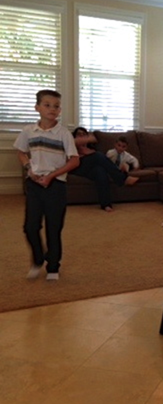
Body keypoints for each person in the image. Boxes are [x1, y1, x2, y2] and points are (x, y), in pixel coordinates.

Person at [13, 89, 80, 281]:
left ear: (60, 110)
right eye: (47, 105)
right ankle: (37, 259)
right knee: (30, 226)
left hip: (56, 186)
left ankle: (53, 266)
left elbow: (74, 160)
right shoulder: (28, 131)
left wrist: (52, 176)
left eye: (56, 106)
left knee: (54, 228)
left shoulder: (63, 133)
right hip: (34, 184)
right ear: (37, 107)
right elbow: (21, 152)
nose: (52, 109)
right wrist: (29, 168)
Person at [71, 127, 138, 212]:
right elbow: (87, 144)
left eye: (84, 134)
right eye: (79, 134)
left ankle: (106, 204)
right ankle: (122, 178)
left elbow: (93, 140)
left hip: (89, 170)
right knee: (98, 156)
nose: (81, 136)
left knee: (100, 171)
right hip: (77, 167)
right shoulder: (71, 144)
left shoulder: (90, 148)